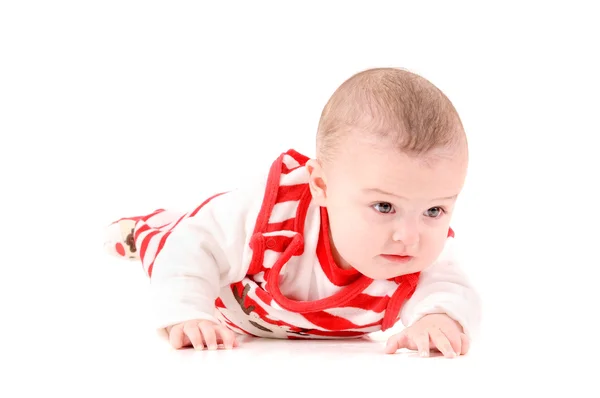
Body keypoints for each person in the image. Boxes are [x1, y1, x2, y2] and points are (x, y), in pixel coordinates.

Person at [103, 67, 481, 358]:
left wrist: (438, 320)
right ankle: (145, 229)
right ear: (322, 186)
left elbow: (450, 290)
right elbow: (195, 245)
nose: (410, 236)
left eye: (434, 210)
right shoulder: (271, 218)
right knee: (173, 243)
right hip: (229, 288)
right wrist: (187, 313)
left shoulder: (423, 255)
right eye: (384, 207)